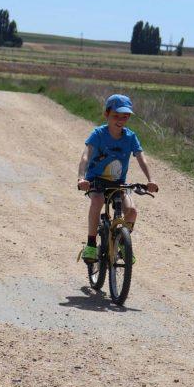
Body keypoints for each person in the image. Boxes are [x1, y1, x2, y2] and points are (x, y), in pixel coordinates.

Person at [76, 94, 159, 263]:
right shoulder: (98, 134)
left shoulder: (130, 137)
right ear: (106, 114)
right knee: (98, 201)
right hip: (96, 180)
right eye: (116, 116)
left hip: (118, 183)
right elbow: (86, 156)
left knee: (132, 211)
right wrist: (81, 178)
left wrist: (150, 179)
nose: (120, 120)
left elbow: (141, 158)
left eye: (125, 116)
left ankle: (122, 242)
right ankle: (91, 244)